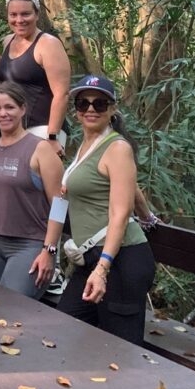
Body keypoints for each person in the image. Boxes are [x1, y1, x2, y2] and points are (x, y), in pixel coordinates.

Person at [51, 75, 156, 344]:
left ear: (112, 109)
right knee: (65, 330)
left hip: (118, 262)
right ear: (75, 111)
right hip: (90, 258)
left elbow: (120, 213)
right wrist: (148, 216)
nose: (90, 109)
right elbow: (130, 187)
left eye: (99, 103)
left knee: (120, 348)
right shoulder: (87, 145)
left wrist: (102, 270)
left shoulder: (118, 148)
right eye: (82, 103)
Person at [0, 82, 63, 299]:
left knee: (11, 311)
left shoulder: (41, 149)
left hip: (28, 246)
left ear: (23, 109)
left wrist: (49, 251)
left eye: (9, 107)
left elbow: (59, 205)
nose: (3, 113)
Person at [0, 0, 71, 157]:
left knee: (40, 182)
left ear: (37, 15)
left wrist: (52, 136)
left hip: (43, 128)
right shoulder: (8, 41)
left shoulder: (48, 44)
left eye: (25, 14)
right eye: (13, 15)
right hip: (14, 128)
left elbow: (62, 94)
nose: (19, 20)